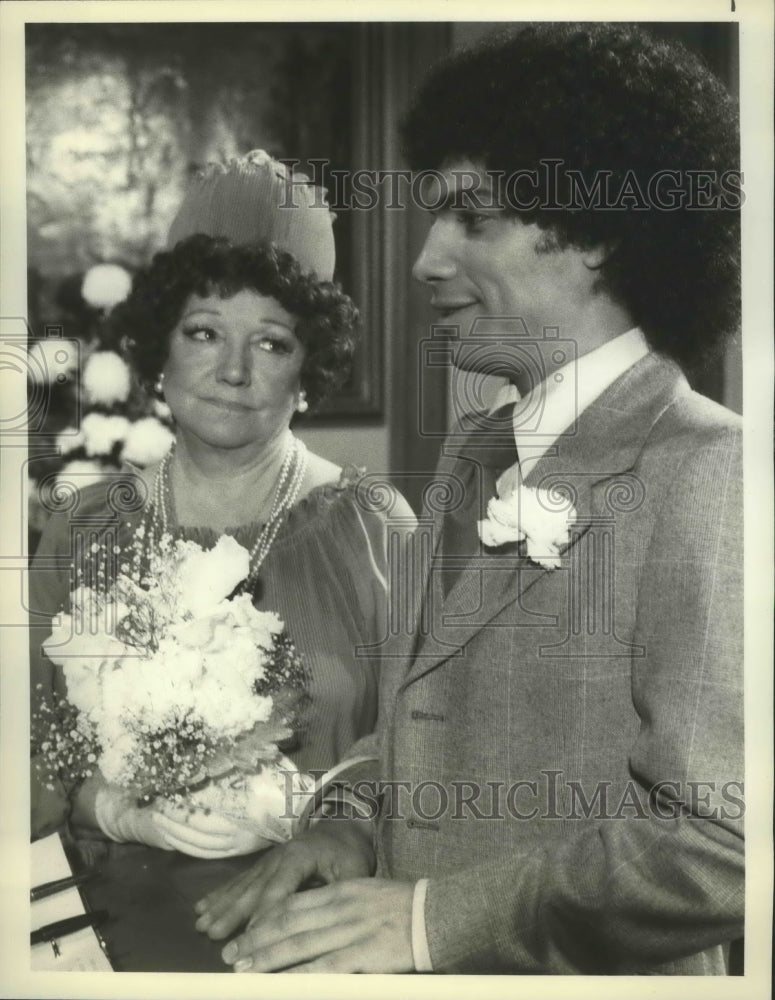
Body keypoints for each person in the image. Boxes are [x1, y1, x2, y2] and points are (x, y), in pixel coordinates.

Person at [194, 24, 744, 975]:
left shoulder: (712, 471)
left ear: (600, 232)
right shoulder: (470, 449)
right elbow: (417, 723)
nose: (424, 261)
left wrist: (426, 923)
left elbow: (724, 847)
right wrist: (349, 822)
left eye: (470, 218)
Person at [30, 150, 415, 859]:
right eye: (203, 332)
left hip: (311, 921)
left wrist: (315, 812)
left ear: (310, 363)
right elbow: (20, 743)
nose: (232, 371)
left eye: (270, 343)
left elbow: (425, 740)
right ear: (160, 345)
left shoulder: (375, 527)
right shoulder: (81, 528)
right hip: (108, 932)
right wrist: (112, 809)